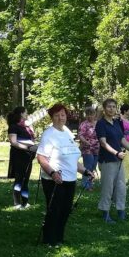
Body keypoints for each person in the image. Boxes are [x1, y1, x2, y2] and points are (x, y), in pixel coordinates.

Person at [36, 103, 93, 246]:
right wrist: (53, 173)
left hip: (70, 179)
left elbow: (73, 158)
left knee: (66, 209)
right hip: (55, 180)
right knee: (54, 209)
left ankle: (59, 238)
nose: (60, 118)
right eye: (56, 115)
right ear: (52, 117)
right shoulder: (49, 134)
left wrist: (85, 171)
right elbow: (41, 158)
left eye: (62, 114)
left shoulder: (67, 132)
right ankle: (48, 239)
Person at [96, 99, 129, 222]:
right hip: (107, 159)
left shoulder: (116, 123)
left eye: (114, 106)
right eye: (109, 107)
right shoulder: (101, 124)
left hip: (119, 160)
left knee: (121, 186)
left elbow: (122, 140)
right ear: (104, 109)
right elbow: (103, 143)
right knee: (108, 187)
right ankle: (105, 213)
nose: (111, 109)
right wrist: (116, 152)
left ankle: (121, 211)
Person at [6, 106, 37, 209]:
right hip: (18, 156)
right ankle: (17, 203)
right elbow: (13, 142)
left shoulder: (26, 127)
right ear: (21, 114)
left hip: (28, 157)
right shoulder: (13, 126)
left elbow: (33, 138)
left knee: (26, 179)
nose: (27, 114)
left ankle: (25, 202)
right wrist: (28, 148)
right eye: (26, 112)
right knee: (19, 179)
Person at [78, 106, 99, 191]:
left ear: (95, 114)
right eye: (88, 114)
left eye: (91, 114)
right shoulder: (84, 124)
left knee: (93, 166)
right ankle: (86, 185)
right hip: (87, 148)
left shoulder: (98, 123)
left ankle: (90, 183)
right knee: (88, 166)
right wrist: (85, 142)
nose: (89, 116)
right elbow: (80, 135)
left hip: (97, 148)